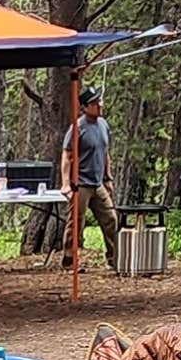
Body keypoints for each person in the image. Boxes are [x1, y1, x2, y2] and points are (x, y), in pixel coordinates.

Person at [66, 87, 118, 257]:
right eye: (95, 103)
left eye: (100, 101)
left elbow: (105, 152)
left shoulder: (103, 125)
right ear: (85, 107)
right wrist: (67, 184)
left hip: (98, 183)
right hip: (81, 183)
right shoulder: (78, 127)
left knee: (111, 218)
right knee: (76, 223)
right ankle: (70, 259)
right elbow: (67, 155)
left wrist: (108, 178)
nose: (99, 105)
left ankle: (114, 257)